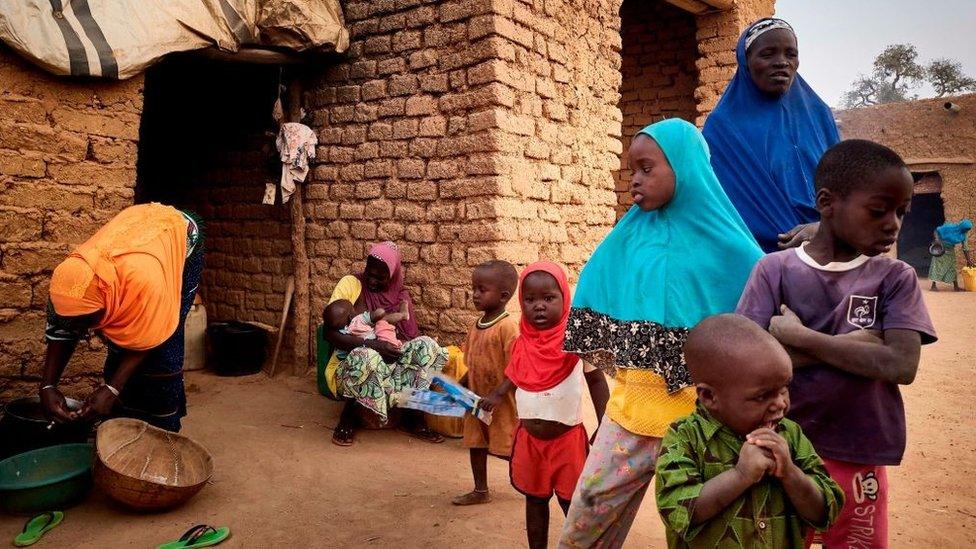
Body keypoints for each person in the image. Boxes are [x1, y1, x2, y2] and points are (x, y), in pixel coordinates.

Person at [559, 119, 764, 547]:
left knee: (700, 527)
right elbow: (599, 296)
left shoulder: (736, 250)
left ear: (686, 167)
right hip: (634, 410)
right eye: (632, 169)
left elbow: (759, 331)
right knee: (589, 511)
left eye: (647, 168)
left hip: (706, 422)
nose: (635, 179)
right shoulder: (627, 238)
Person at [736, 140, 937, 548]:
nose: (893, 224)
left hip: (858, 450)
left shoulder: (895, 277)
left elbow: (900, 364)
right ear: (827, 203)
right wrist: (858, 347)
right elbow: (747, 364)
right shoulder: (774, 269)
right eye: (879, 210)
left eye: (901, 212)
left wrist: (799, 337)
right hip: (782, 447)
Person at [655, 314, 843, 548]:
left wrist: (790, 473)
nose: (780, 404)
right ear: (709, 396)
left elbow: (827, 510)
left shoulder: (790, 435)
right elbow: (676, 511)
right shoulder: (685, 438)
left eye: (784, 389)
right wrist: (740, 476)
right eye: (762, 396)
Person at [41, 203, 204, 432]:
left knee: (165, 345)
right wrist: (48, 385)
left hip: (181, 236)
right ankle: (120, 411)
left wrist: (113, 388)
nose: (82, 332)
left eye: (85, 322)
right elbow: (62, 328)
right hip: (137, 236)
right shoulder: (69, 283)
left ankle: (163, 423)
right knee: (120, 343)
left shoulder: (145, 281)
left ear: (105, 303)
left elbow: (153, 332)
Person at [493, 262, 609, 549]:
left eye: (549, 298)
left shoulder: (576, 343)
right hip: (530, 441)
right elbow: (514, 374)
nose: (539, 307)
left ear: (564, 298)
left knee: (573, 503)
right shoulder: (523, 343)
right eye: (530, 300)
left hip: (567, 440)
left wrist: (605, 424)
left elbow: (596, 382)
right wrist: (496, 395)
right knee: (534, 499)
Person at [703, 18, 840, 253]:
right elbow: (715, 205)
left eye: (790, 54)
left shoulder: (819, 116)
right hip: (754, 258)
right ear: (746, 61)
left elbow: (846, 186)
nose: (782, 63)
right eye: (768, 54)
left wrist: (824, 228)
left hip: (831, 251)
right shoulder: (723, 128)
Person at [321, 241, 447, 446]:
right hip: (352, 363)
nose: (372, 280)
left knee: (426, 346)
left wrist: (394, 350)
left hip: (391, 361)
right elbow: (330, 332)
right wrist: (373, 345)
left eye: (380, 277)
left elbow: (409, 336)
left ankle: (411, 416)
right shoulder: (352, 284)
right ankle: (348, 417)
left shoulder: (400, 297)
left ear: (393, 275)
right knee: (366, 356)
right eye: (369, 273)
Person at [451, 260, 520, 506]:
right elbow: (472, 362)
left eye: (482, 289)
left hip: (501, 402)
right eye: (474, 288)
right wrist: (458, 387)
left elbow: (518, 367)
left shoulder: (508, 327)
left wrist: (499, 394)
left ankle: (531, 480)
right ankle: (480, 490)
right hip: (476, 399)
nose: (475, 294)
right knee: (476, 443)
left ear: (503, 296)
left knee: (507, 446)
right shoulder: (475, 326)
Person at [324, 299, 404, 348]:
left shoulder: (343, 333)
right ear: (351, 317)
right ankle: (403, 315)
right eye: (353, 309)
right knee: (382, 321)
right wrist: (372, 314)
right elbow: (380, 313)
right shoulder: (358, 319)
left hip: (366, 353)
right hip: (381, 341)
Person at [928, 219, 973, 291]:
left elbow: (965, 247)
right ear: (962, 226)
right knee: (937, 266)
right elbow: (936, 230)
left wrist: (968, 260)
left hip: (950, 249)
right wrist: (937, 240)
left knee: (952, 267)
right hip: (940, 248)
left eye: (968, 229)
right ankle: (933, 286)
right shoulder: (949, 226)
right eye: (966, 229)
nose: (967, 231)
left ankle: (956, 287)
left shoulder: (964, 234)